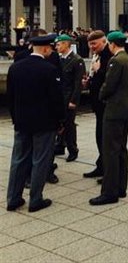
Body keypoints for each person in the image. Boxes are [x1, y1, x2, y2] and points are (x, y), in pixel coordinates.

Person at [6, 33, 65, 212]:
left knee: (18, 160)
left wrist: (16, 118)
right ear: (46, 48)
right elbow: (56, 99)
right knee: (40, 160)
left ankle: (13, 199)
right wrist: (60, 121)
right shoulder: (49, 69)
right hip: (44, 123)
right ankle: (35, 199)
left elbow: (10, 98)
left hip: (22, 122)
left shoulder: (15, 68)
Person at [89, 31, 128, 205]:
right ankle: (121, 187)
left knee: (110, 151)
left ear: (112, 44)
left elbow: (108, 86)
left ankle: (109, 192)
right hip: (126, 109)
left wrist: (100, 94)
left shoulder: (115, 61)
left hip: (114, 110)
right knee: (122, 150)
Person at [82, 30, 113, 179]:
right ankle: (101, 165)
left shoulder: (109, 55)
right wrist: (89, 80)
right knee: (99, 136)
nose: (92, 47)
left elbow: (109, 80)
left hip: (105, 104)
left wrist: (97, 70)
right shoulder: (98, 54)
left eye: (94, 43)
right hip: (98, 104)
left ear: (103, 41)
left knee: (105, 138)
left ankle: (106, 169)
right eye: (90, 44)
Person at [54, 34, 86, 162]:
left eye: (59, 44)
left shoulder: (76, 60)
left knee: (69, 125)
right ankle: (60, 145)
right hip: (60, 98)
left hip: (69, 98)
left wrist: (73, 100)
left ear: (66, 44)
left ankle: (73, 149)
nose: (57, 47)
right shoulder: (59, 59)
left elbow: (78, 83)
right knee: (60, 123)